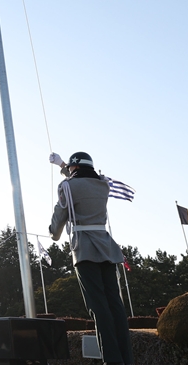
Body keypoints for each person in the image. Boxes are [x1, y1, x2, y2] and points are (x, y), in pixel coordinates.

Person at [48, 151, 133, 365]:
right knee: (115, 304)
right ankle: (126, 358)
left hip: (85, 248)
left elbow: (62, 211)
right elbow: (81, 180)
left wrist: (53, 233)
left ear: (74, 168)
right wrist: (63, 166)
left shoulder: (67, 187)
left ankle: (112, 361)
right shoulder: (102, 184)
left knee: (98, 307)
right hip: (106, 247)